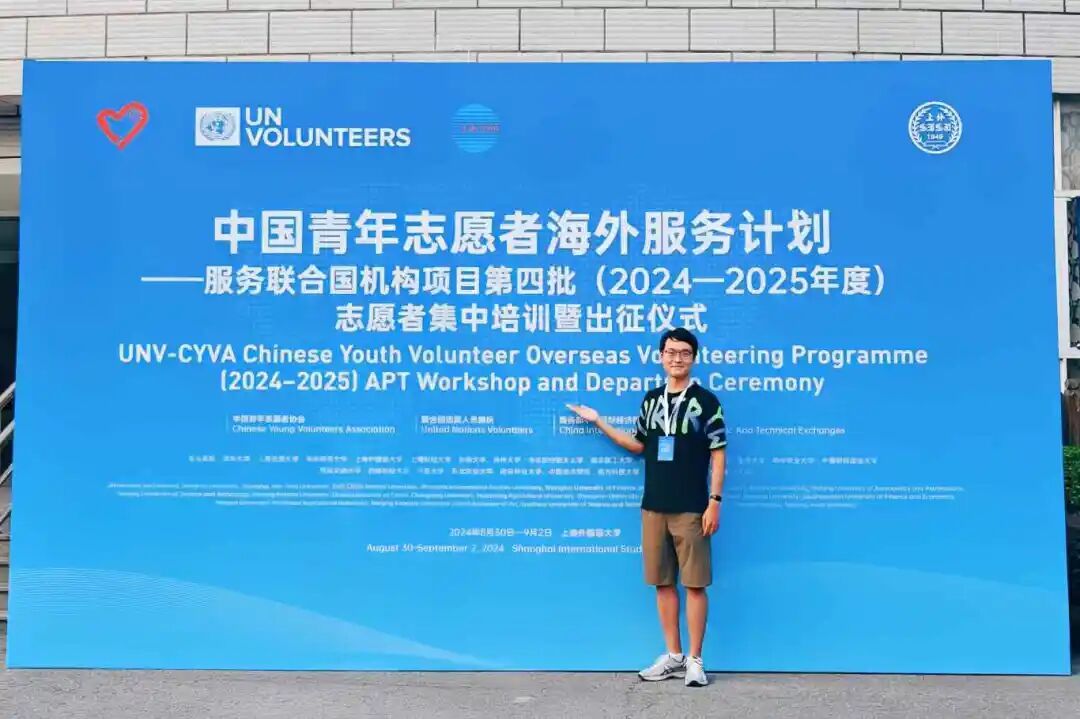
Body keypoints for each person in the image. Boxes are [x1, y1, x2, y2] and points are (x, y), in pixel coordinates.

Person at [567, 327, 726, 687]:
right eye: (671, 352)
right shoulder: (652, 400)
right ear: (661, 357)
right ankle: (673, 655)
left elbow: (718, 454)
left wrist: (714, 501)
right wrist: (598, 421)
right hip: (653, 506)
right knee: (662, 582)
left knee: (695, 584)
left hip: (692, 507)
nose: (677, 358)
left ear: (693, 358)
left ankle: (695, 661)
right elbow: (638, 444)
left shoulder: (706, 402)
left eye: (684, 353)